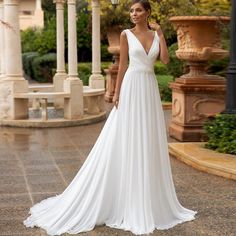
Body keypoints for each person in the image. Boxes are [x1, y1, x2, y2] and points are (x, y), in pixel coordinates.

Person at [23, 0, 197, 235]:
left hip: (149, 88)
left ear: (148, 13)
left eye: (138, 10)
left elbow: (165, 60)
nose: (134, 14)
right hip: (132, 87)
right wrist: (116, 93)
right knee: (126, 136)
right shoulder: (126, 34)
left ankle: (148, 194)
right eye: (132, 10)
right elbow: (122, 65)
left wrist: (162, 33)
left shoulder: (156, 35)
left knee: (148, 138)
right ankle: (125, 191)